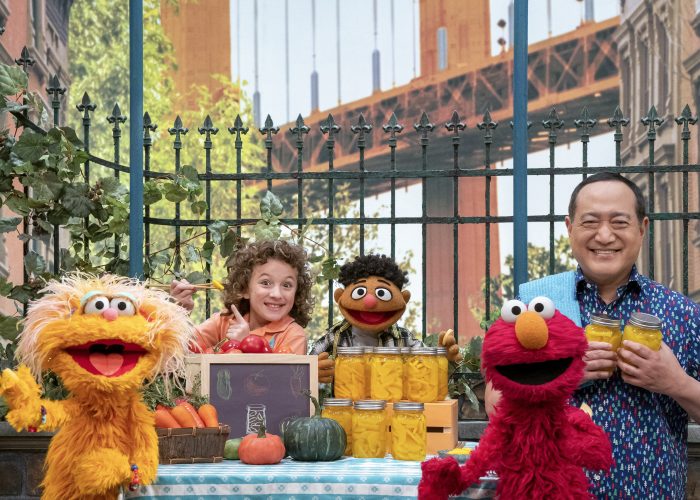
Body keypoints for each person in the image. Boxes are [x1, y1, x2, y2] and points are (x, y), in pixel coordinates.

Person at [485, 172, 700, 498]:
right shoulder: (536, 308)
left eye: (618, 222)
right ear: (570, 229)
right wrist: (561, 376)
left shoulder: (682, 314)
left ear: (642, 229)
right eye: (590, 222)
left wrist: (675, 382)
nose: (604, 235)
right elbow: (495, 405)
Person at [309, 254, 461, 384]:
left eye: (382, 293)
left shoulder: (403, 338)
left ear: (404, 299)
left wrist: (444, 358)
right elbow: (303, 367)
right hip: (348, 410)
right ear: (340, 296)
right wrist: (312, 371)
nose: (370, 301)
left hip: (392, 410)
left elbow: (428, 365)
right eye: (360, 292)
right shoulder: (335, 335)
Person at [171, 239, 315, 354]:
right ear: (245, 288)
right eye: (265, 283)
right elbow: (185, 350)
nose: (276, 294)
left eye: (287, 285)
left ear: (297, 292)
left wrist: (248, 342)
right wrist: (180, 312)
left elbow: (281, 382)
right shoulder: (223, 322)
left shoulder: (294, 335)